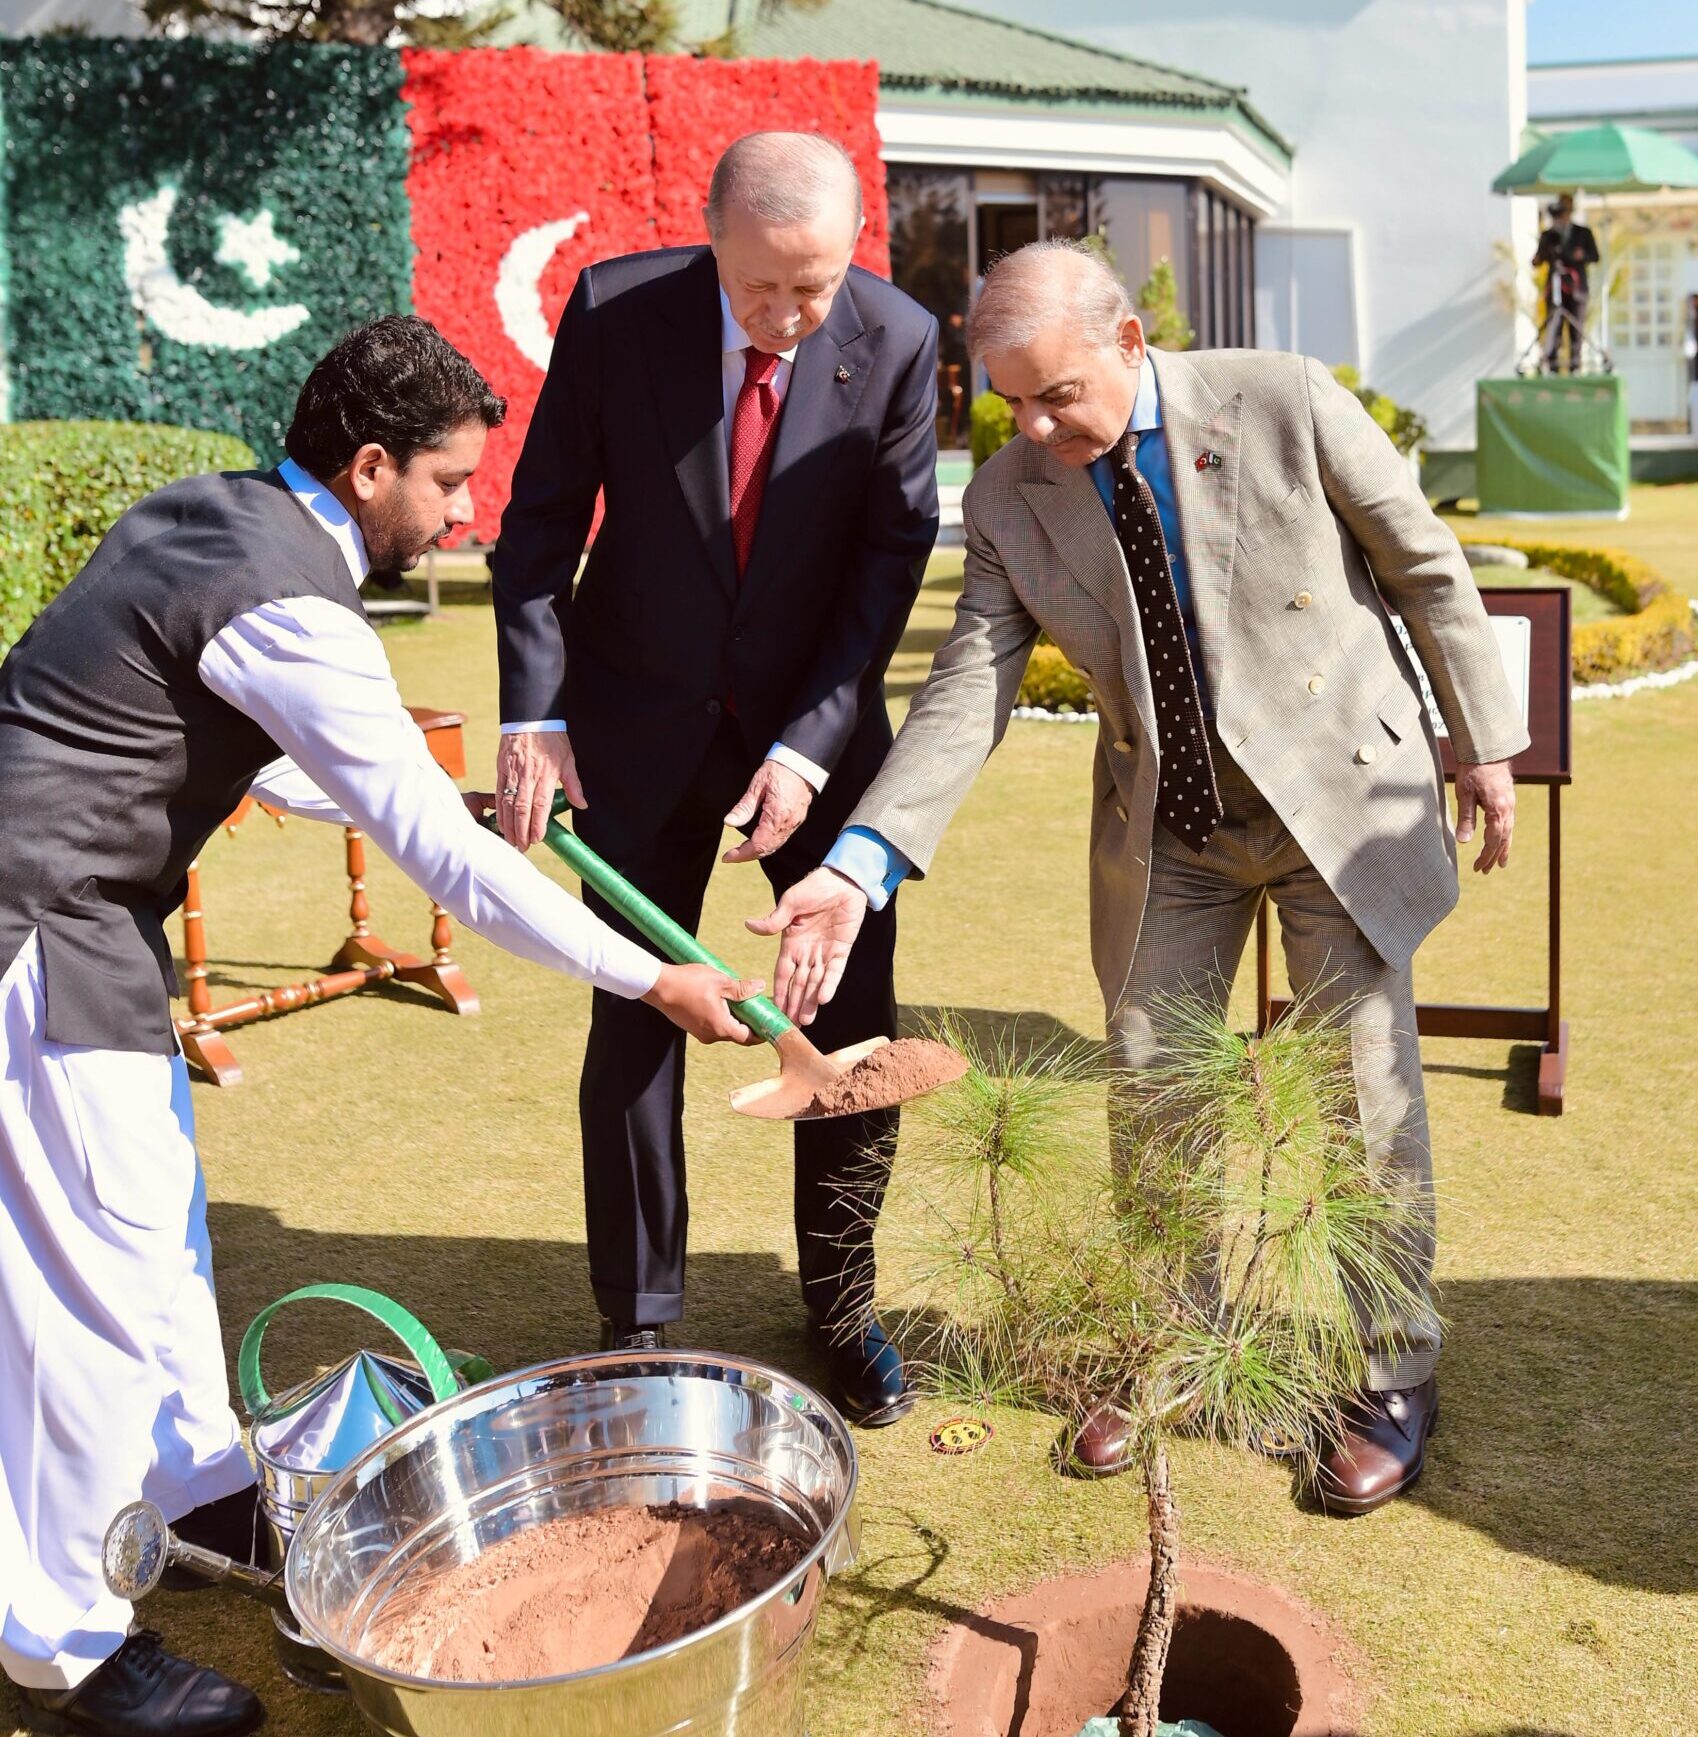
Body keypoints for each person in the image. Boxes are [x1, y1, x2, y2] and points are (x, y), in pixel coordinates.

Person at [0, 315, 757, 1737]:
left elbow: (229, 735)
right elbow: (458, 880)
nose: (468, 513)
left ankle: (197, 1496)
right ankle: (64, 1642)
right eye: (451, 482)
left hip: (77, 922)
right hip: (36, 931)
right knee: (83, 1295)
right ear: (366, 469)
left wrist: (420, 793)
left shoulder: (215, 516)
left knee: (158, 1237)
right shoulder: (295, 600)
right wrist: (654, 979)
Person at [753, 240, 1529, 1516]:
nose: (1036, 427)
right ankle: (1183, 1344)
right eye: (1008, 401)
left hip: (1340, 799)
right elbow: (965, 692)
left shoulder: (1282, 396)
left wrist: (1487, 746)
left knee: (1364, 1093)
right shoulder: (1009, 498)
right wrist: (861, 857)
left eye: (1058, 394)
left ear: (1128, 342)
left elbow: (1425, 565)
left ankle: (1392, 1370)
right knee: (1155, 1088)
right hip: (1171, 826)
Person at [490, 133, 939, 1423]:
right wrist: (537, 709)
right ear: (711, 239)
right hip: (634, 725)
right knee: (635, 1010)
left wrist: (807, 746)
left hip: (820, 732)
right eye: (763, 290)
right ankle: (637, 1319)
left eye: (817, 289)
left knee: (849, 1029)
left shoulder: (898, 340)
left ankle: (842, 1310)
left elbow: (886, 567)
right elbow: (538, 526)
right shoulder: (616, 314)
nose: (794, 318)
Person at [1534, 194, 1599, 374]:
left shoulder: (1582, 233)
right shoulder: (1549, 236)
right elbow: (1538, 259)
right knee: (1553, 326)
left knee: (1575, 330)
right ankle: (1552, 367)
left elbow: (1595, 256)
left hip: (1576, 288)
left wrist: (1581, 256)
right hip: (1555, 286)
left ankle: (1575, 368)